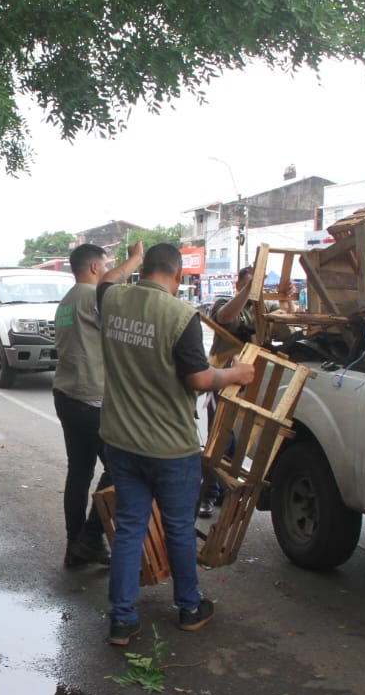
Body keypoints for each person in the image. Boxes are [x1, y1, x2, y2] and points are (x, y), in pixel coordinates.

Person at [97, 242, 256, 646]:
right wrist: (236, 374)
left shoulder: (113, 298)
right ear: (179, 276)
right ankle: (188, 607)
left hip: (121, 440)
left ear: (144, 269)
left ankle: (122, 620)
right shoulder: (181, 316)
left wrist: (130, 259)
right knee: (179, 529)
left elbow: (105, 278)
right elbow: (200, 380)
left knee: (130, 527)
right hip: (170, 447)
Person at [53, 243, 113, 567]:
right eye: (105, 265)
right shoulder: (92, 298)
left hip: (67, 396)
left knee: (79, 473)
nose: (106, 270)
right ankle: (90, 538)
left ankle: (74, 546)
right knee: (121, 467)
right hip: (91, 399)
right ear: (93, 267)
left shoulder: (65, 302)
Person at [197, 265, 256, 519]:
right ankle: (208, 495)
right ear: (238, 284)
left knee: (236, 446)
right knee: (219, 441)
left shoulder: (265, 309)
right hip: (222, 383)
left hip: (252, 387)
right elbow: (225, 317)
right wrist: (249, 290)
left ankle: (221, 491)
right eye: (247, 281)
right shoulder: (226, 303)